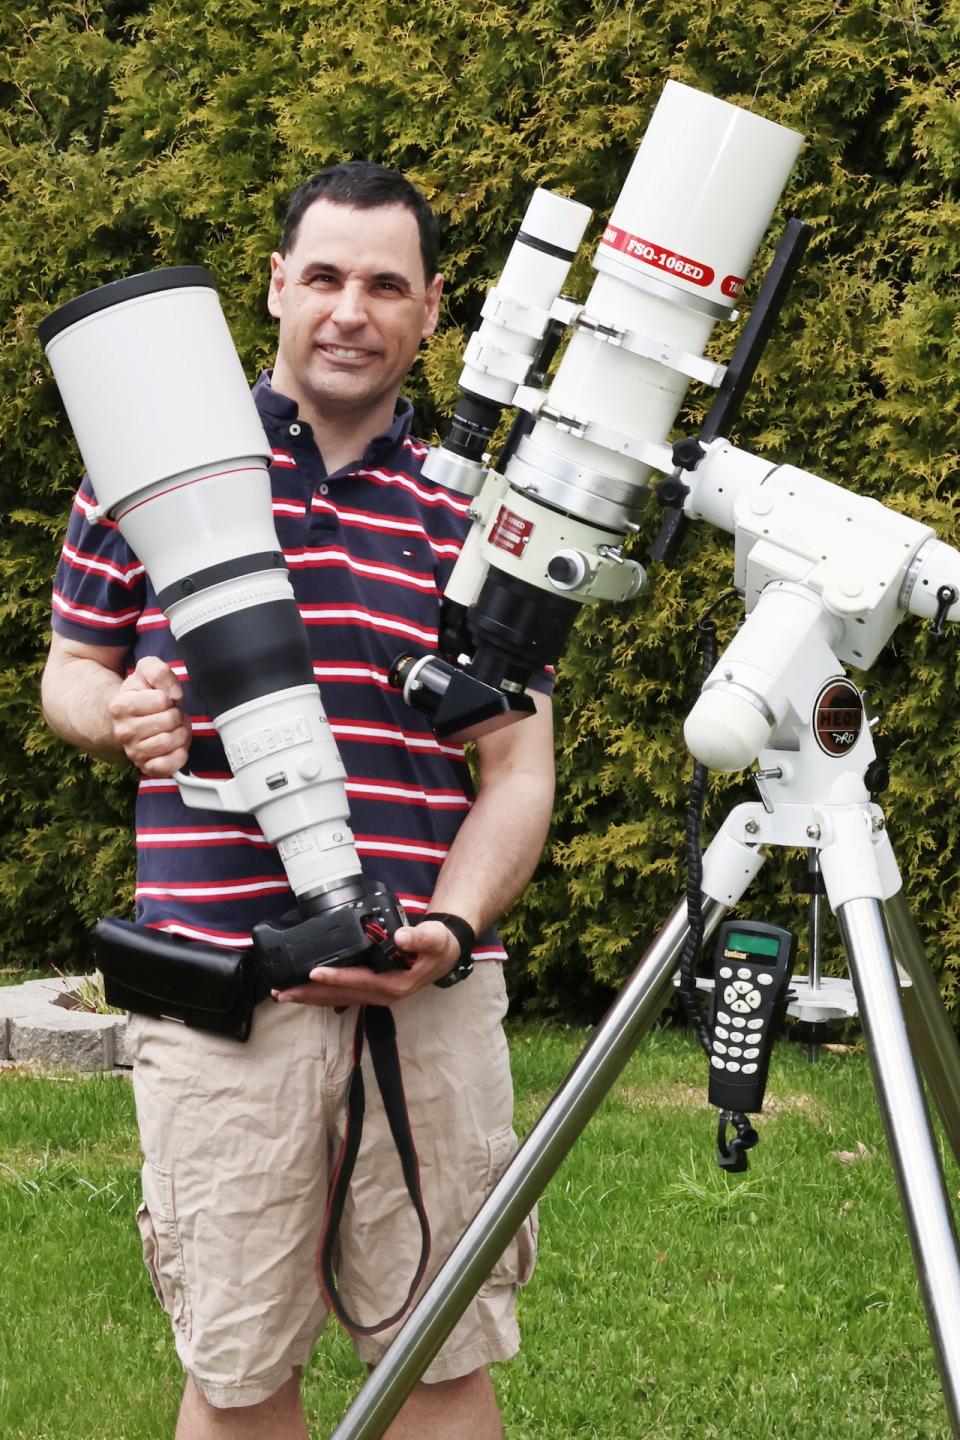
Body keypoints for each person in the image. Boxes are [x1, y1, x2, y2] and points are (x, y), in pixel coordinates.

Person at [40, 163, 555, 1440]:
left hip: (432, 996)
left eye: (386, 284)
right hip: (225, 1002)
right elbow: (70, 670)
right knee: (237, 1370)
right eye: (323, 276)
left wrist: (444, 929)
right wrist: (117, 714)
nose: (348, 309)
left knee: (443, 1355)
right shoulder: (141, 464)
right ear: (275, 285)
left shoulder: (479, 516)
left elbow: (519, 769)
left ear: (434, 310)